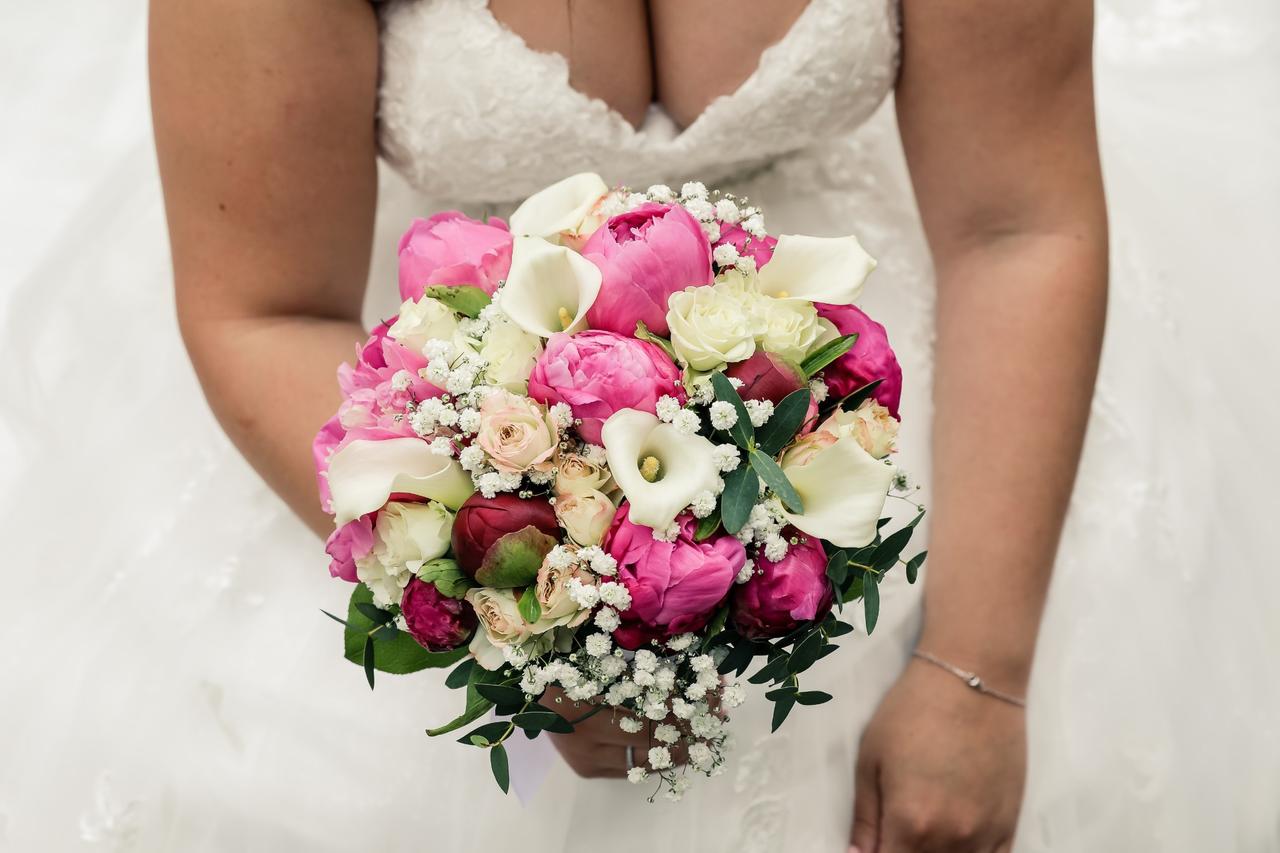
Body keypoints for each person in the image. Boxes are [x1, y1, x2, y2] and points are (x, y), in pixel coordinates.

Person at [153, 0, 1106, 850]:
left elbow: (1016, 227)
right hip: (463, 419)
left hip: (917, 441)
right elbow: (265, 306)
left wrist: (977, 674)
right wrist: (530, 633)